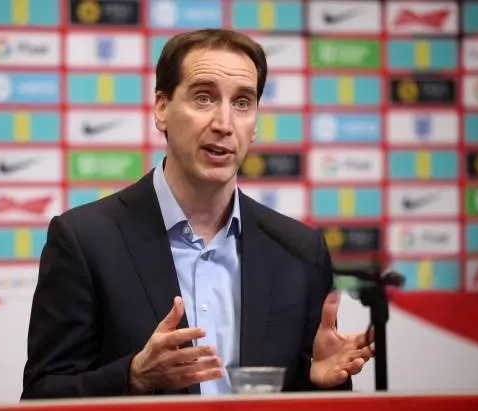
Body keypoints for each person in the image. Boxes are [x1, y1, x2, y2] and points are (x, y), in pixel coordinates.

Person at [21, 28, 373, 399]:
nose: (224, 123)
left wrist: (320, 381)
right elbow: (42, 394)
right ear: (162, 108)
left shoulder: (298, 249)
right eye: (204, 98)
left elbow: (304, 393)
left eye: (242, 103)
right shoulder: (85, 240)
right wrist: (133, 376)